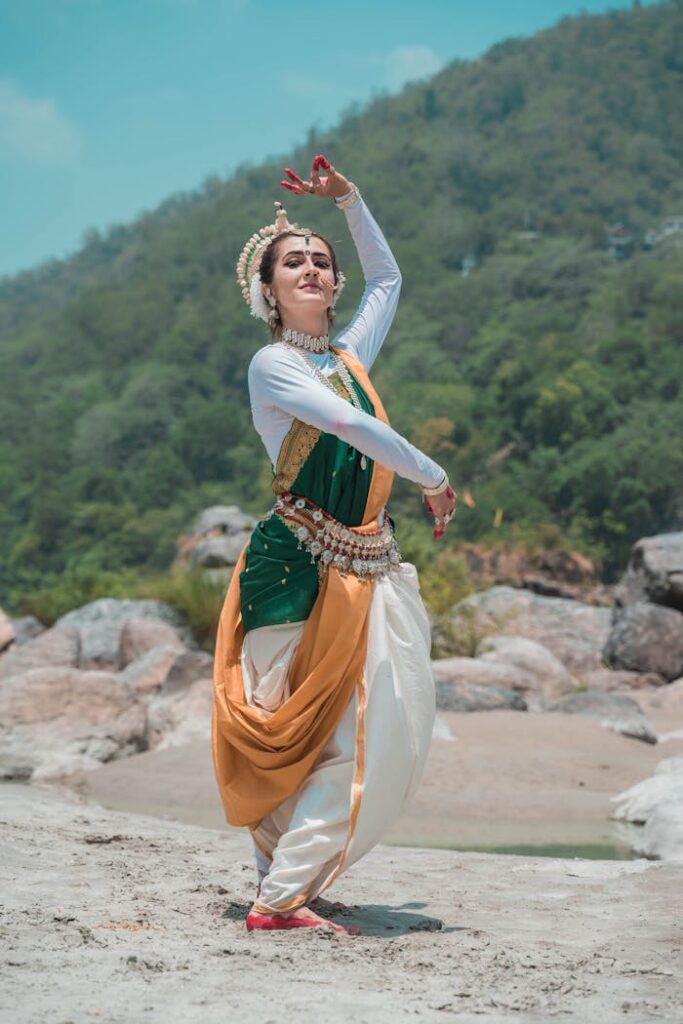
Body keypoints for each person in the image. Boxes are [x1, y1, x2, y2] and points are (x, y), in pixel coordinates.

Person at [211, 154, 457, 936]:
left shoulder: (346, 358)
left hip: (361, 561)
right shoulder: (275, 366)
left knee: (372, 723)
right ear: (268, 290)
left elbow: (387, 281)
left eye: (321, 260)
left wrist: (349, 200)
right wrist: (431, 473)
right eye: (294, 262)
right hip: (292, 567)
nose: (312, 268)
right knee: (295, 734)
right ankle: (278, 899)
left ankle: (291, 883)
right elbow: (350, 427)